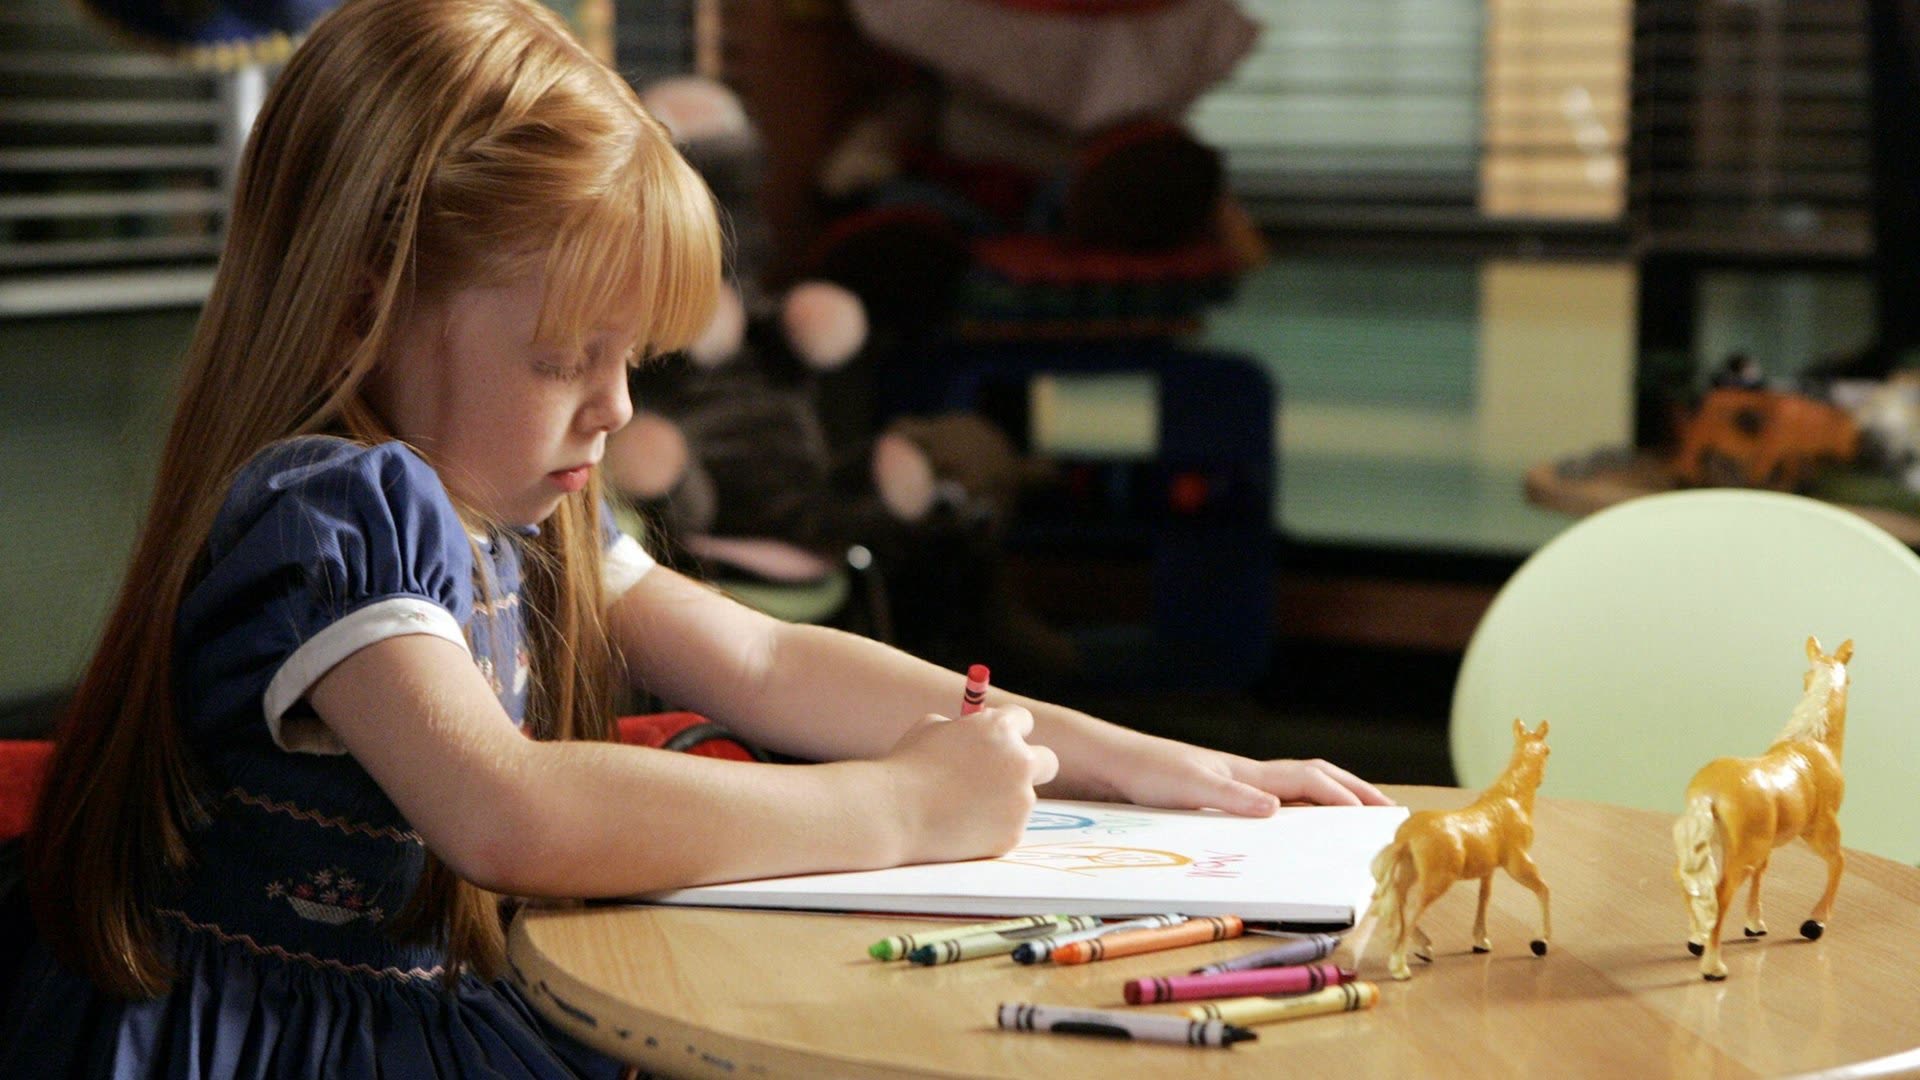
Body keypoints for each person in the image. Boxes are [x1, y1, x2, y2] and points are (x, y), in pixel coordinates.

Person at [0, 0, 1387, 1075]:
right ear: (368, 308)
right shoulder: (334, 511)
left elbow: (771, 665)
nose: (613, 407)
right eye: (564, 356)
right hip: (290, 1044)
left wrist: (1138, 760)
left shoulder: (530, 503)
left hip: (429, 1011)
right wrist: (897, 808)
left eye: (631, 359)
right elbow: (508, 810)